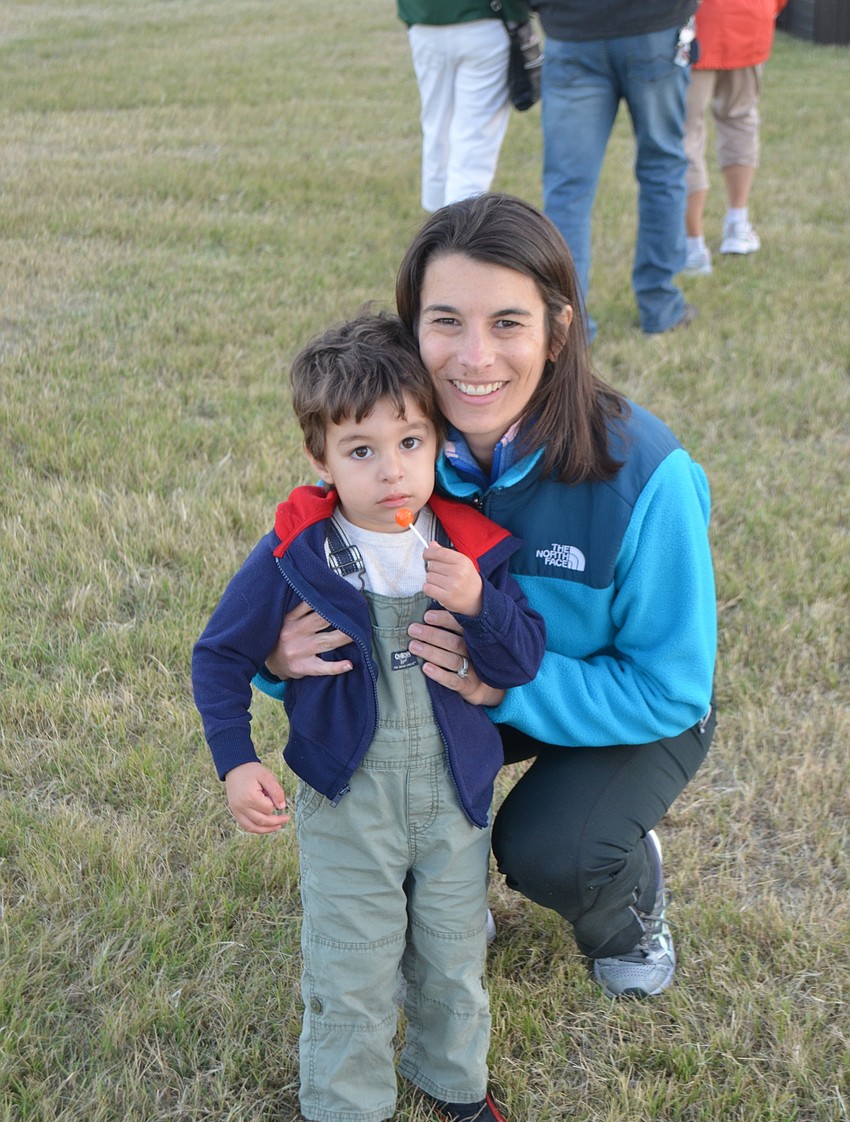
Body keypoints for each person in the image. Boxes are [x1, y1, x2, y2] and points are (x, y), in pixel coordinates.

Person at [264, 193, 717, 1010]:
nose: (473, 358)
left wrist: (506, 683)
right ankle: (442, 893)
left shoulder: (650, 474)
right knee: (376, 743)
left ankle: (628, 898)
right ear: (411, 329)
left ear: (559, 329)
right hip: (463, 676)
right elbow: (300, 578)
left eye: (508, 323)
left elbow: (673, 687)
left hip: (635, 703)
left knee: (551, 848)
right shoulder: (398, 444)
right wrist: (274, 659)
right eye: (445, 322)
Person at [192, 311, 545, 1122]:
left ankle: (452, 1079)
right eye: (360, 449)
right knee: (354, 953)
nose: (389, 468)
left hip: (455, 797)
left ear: (434, 442)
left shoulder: (468, 548)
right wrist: (236, 760)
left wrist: (480, 605)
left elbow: (517, 664)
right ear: (320, 459)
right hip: (349, 799)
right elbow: (219, 654)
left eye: (410, 441)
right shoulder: (297, 555)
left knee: (455, 947)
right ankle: (348, 1112)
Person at [534, 0, 698, 336]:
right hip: (653, 27)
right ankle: (660, 305)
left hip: (574, 28)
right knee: (662, 171)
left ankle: (573, 324)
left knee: (568, 189)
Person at [683, 0, 788, 275]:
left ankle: (693, 244)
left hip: (696, 22)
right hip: (748, 16)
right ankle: (736, 224)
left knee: (687, 132)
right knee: (739, 119)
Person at [398, 0, 532, 212]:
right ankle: (457, 229)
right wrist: (518, 16)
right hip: (483, 20)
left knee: (437, 128)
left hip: (425, 20)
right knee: (475, 138)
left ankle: (435, 226)